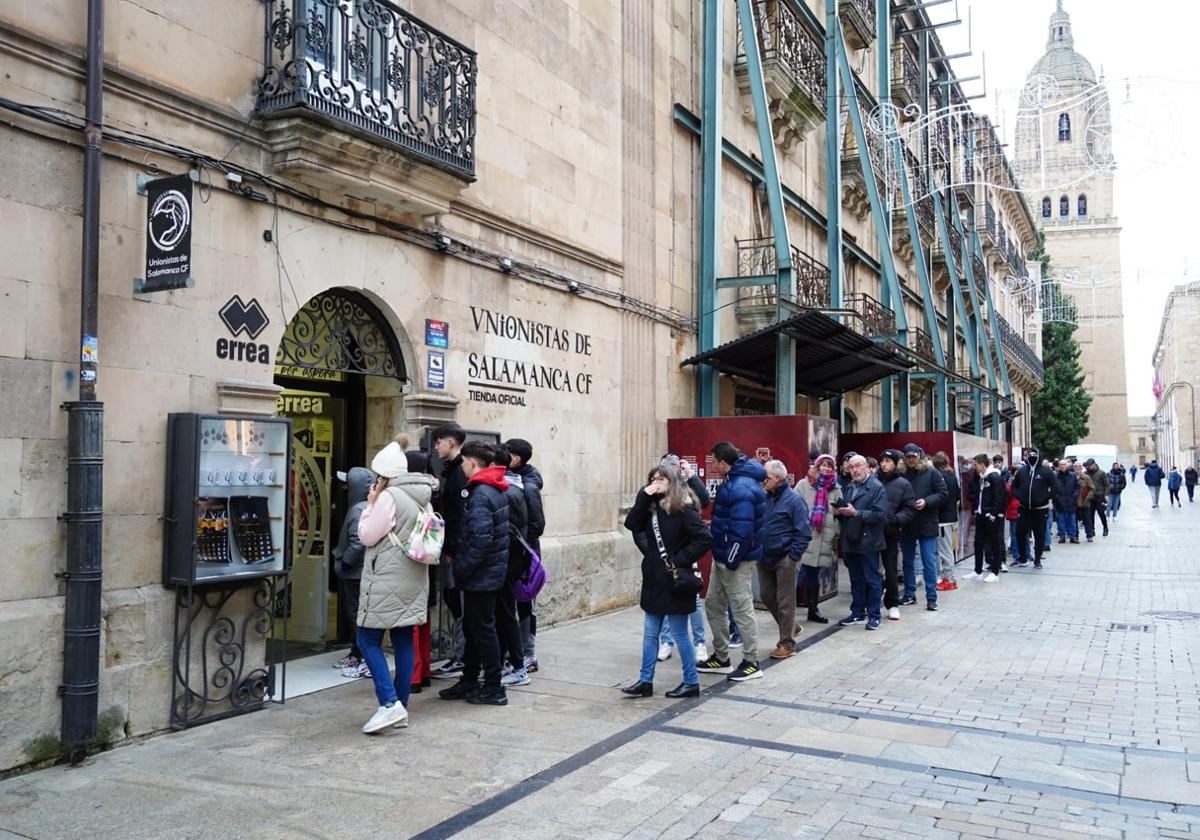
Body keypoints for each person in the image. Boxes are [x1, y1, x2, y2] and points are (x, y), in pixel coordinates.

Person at [354, 439, 438, 733]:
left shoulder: (389, 497)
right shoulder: (422, 497)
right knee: (403, 640)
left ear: (384, 475)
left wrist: (370, 505)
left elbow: (367, 535)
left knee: (367, 639)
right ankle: (400, 705)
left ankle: (389, 704)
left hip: (386, 579)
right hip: (412, 577)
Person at [620, 464, 712, 698]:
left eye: (661, 479)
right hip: (654, 578)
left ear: (672, 481)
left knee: (680, 634)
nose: (656, 482)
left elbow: (704, 538)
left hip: (674, 580)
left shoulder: (683, 508)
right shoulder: (650, 508)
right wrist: (643, 495)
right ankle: (645, 680)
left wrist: (679, 559)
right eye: (652, 478)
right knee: (651, 633)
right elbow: (631, 524)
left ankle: (691, 682)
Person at [437, 441, 511, 706]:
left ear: (471, 462)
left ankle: (493, 687)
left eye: (464, 462)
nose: (463, 467)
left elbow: (480, 540)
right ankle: (469, 680)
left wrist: (460, 568)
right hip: (486, 573)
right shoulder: (492, 489)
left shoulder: (481, 493)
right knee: (474, 628)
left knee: (483, 630)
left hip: (482, 575)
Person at [697, 442, 766, 682]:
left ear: (724, 463)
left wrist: (731, 559)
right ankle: (721, 657)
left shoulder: (742, 487)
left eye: (714, 461)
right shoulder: (734, 480)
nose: (713, 466)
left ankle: (751, 662)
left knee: (741, 609)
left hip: (734, 559)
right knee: (714, 604)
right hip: (724, 556)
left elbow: (742, 530)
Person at [655, 455, 709, 664]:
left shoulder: (687, 489)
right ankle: (666, 641)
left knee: (693, 600)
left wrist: (691, 475)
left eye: (675, 467)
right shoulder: (656, 491)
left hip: (683, 557)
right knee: (665, 599)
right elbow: (640, 525)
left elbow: (703, 500)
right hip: (661, 557)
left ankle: (699, 643)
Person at [757, 460, 811, 659]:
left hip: (785, 558)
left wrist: (792, 557)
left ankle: (787, 644)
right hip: (764, 556)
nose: (763, 480)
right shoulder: (765, 497)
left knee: (786, 601)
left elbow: (804, 533)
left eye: (767, 477)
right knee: (766, 595)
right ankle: (793, 626)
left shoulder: (794, 500)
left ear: (778, 479)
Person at [430, 424, 468, 679]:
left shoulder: (459, 474)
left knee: (458, 603)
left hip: (455, 550)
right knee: (454, 601)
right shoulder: (453, 471)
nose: (435, 447)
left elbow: (458, 517)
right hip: (452, 548)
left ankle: (461, 657)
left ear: (451, 443)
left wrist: (449, 549)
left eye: (439, 442)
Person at [504, 438, 545, 675]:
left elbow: (537, 524)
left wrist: (521, 545)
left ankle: (529, 654)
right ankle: (516, 650)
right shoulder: (518, 480)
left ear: (516, 459)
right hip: (519, 553)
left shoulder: (527, 486)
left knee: (525, 603)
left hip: (524, 555)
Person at [492, 445, 532, 688]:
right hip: (509, 562)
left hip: (507, 563)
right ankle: (511, 663)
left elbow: (512, 530)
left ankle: (517, 666)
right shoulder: (513, 487)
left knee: (506, 615)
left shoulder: (508, 491)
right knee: (505, 614)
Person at [834, 455, 888, 630]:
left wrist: (856, 513)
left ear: (866, 467)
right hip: (851, 540)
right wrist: (840, 511)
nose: (855, 470)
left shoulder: (876, 487)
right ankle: (857, 612)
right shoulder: (849, 487)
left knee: (872, 580)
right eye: (851, 467)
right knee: (855, 579)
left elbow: (880, 515)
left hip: (869, 541)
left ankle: (874, 615)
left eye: (858, 466)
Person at [331, 467, 372, 679]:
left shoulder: (358, 509)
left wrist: (345, 564)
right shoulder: (364, 506)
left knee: (356, 614)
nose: (344, 487)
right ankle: (358, 654)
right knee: (356, 614)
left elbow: (358, 543)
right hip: (359, 571)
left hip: (356, 573)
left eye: (348, 483)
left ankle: (363, 658)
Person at [898, 444, 948, 612]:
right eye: (908, 457)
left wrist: (926, 501)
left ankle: (931, 597)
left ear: (919, 456)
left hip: (927, 521)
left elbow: (943, 494)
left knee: (928, 560)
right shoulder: (902, 473)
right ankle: (909, 593)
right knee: (907, 560)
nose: (911, 459)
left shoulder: (932, 472)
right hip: (908, 522)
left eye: (913, 456)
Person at [795, 454, 840, 624]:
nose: (826, 468)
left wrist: (835, 529)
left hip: (823, 538)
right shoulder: (804, 484)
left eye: (830, 466)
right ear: (817, 465)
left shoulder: (836, 488)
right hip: (805, 536)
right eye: (823, 465)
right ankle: (786, 612)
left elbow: (839, 514)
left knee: (814, 574)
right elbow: (794, 507)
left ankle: (813, 610)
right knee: (798, 574)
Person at [877, 449, 915, 620]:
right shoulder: (873, 481)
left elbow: (909, 509)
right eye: (882, 461)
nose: (884, 464)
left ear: (894, 463)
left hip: (890, 532)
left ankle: (892, 604)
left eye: (888, 461)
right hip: (871, 531)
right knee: (870, 569)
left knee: (891, 570)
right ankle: (869, 602)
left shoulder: (903, 484)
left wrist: (896, 520)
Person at [1010, 447, 1055, 569]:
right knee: (1020, 532)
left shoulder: (1046, 472)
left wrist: (1044, 498)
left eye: (1034, 455)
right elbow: (1014, 487)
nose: (1031, 457)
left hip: (1040, 509)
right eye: (1029, 455)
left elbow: (1056, 488)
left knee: (1039, 534)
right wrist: (1020, 496)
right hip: (1024, 508)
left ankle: (1037, 559)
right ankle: (1023, 557)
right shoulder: (1022, 471)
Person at [968, 454, 1006, 582]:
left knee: (995, 543)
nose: (975, 467)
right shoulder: (982, 477)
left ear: (982, 464)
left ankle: (995, 572)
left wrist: (993, 514)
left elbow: (999, 497)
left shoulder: (994, 477)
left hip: (991, 517)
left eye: (976, 465)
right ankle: (977, 571)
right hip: (981, 515)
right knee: (978, 543)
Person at [932, 452, 960, 592]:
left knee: (945, 550)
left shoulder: (939, 476)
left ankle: (949, 580)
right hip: (952, 516)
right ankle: (947, 578)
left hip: (943, 519)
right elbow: (957, 496)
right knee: (947, 549)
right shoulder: (952, 475)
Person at [1052, 459, 1080, 544]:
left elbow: (1077, 488)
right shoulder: (1055, 476)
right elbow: (1053, 489)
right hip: (1060, 502)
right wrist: (1057, 498)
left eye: (1064, 464)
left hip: (1071, 501)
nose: (1062, 466)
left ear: (1067, 465)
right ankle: (1062, 536)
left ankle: (1073, 536)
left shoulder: (1073, 476)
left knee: (1072, 520)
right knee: (1061, 521)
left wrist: (1074, 497)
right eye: (1060, 464)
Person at [1084, 459, 1110, 537]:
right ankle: (1092, 530)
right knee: (1090, 514)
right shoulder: (1086, 473)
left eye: (1090, 465)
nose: (1088, 467)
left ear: (1094, 464)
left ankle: (1105, 528)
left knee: (1101, 513)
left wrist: (1106, 494)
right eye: (1087, 466)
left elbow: (1107, 484)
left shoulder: (1101, 473)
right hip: (1090, 497)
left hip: (1099, 496)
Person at [1075, 463, 1095, 542]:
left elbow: (1092, 488)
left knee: (1087, 519)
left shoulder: (1086, 478)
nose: (1077, 468)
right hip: (1074, 503)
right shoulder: (1071, 477)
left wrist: (1088, 497)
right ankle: (1075, 535)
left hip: (1084, 502)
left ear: (1081, 468)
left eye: (1079, 466)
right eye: (1075, 466)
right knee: (1074, 520)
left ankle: (1089, 535)